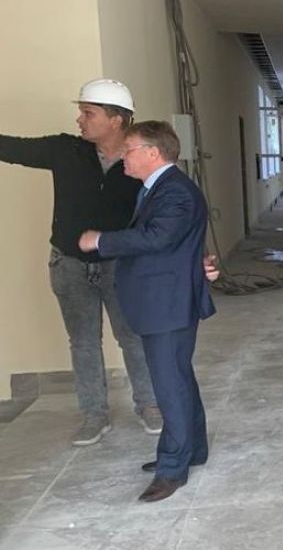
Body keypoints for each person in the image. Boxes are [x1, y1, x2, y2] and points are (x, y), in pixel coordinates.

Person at [0, 79, 161, 445]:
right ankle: (94, 414)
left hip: (120, 264)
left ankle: (149, 404)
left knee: (132, 336)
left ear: (116, 119)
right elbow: (11, 148)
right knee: (83, 342)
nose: (80, 120)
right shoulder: (65, 150)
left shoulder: (141, 159)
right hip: (70, 264)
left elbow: (166, 210)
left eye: (88, 113)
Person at [78, 121, 215, 503]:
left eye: (130, 149)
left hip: (168, 304)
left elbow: (157, 238)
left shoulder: (175, 191)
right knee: (178, 378)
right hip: (162, 301)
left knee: (169, 385)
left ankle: (172, 468)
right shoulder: (157, 188)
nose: (123, 156)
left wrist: (101, 240)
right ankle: (193, 448)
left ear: (153, 152)